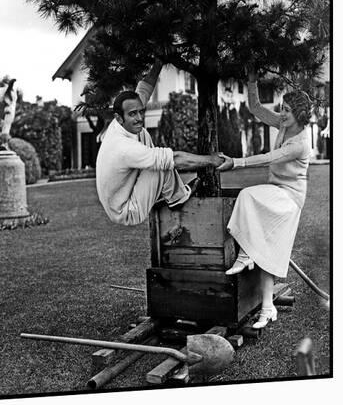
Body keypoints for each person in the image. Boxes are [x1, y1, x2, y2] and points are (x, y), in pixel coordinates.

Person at [217, 70, 312, 329]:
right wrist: (250, 78)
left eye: (287, 111)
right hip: (276, 189)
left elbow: (268, 158)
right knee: (268, 251)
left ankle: (246, 253)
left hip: (290, 198)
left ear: (300, 116)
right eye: (283, 108)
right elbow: (256, 108)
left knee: (247, 195)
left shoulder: (301, 143)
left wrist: (236, 162)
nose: (282, 114)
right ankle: (268, 309)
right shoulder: (284, 123)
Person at [96, 61, 222, 226]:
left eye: (141, 111)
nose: (140, 118)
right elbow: (174, 159)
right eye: (133, 114)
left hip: (123, 195)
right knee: (162, 162)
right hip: (126, 211)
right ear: (118, 118)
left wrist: (158, 62)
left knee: (144, 135)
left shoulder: (122, 120)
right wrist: (212, 160)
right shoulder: (123, 147)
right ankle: (178, 198)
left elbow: (144, 88)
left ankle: (172, 193)